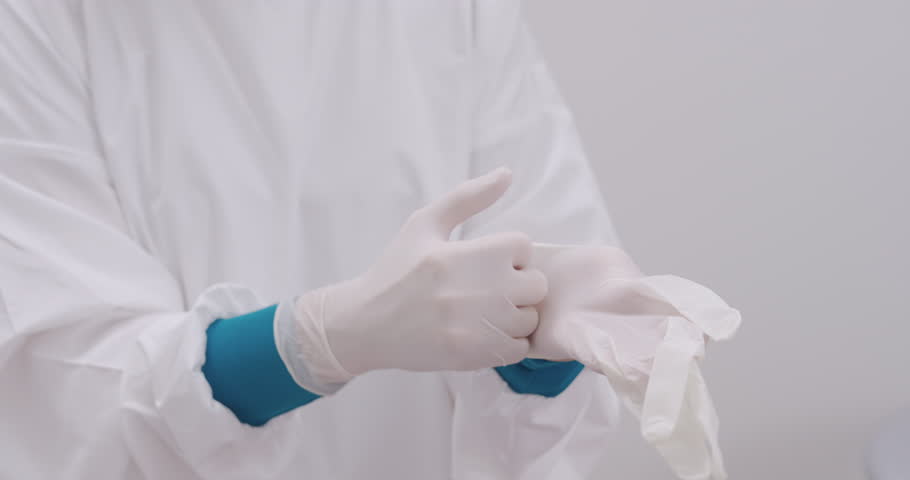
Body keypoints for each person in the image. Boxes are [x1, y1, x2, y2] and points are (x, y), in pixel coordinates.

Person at [0, 2, 622, 478]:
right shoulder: (42, 21)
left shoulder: (455, 13)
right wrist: (316, 340)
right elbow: (70, 387)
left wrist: (548, 340)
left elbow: (548, 239)